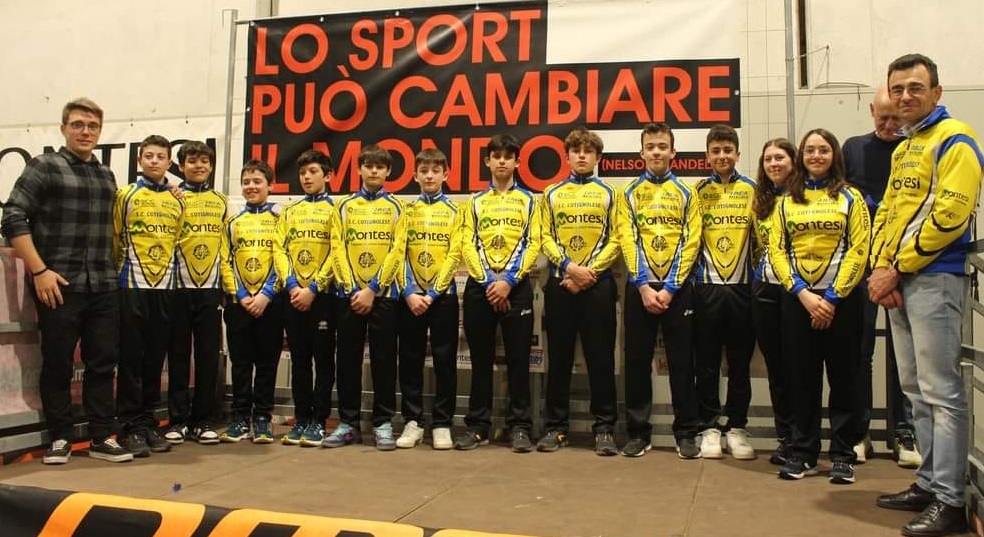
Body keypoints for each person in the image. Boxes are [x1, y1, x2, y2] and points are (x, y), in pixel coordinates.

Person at [872, 53, 982, 537]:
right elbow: (889, 212)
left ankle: (950, 500)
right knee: (915, 389)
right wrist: (881, 267)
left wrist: (896, 267)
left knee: (942, 392)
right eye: (897, 89)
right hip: (900, 280)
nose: (905, 96)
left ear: (936, 92)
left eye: (915, 88)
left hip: (936, 276)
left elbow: (950, 218)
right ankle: (929, 482)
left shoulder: (956, 139)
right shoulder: (905, 147)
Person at [1, 98, 133, 464]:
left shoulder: (106, 175)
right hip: (58, 283)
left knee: (103, 363)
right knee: (58, 362)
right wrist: (39, 271)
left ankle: (102, 437)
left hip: (103, 284)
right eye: (77, 124)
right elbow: (13, 217)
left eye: (92, 126)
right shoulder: (44, 166)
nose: (85, 131)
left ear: (100, 132)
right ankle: (60, 437)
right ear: (63, 129)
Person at [771, 128, 870, 484]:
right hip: (799, 301)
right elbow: (776, 251)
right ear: (801, 157)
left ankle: (843, 455)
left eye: (823, 150)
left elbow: (860, 249)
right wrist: (802, 292)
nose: (816, 156)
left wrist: (832, 297)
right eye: (810, 150)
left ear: (834, 155)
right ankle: (803, 453)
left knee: (845, 379)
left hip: (841, 301)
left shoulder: (850, 197)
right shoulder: (787, 200)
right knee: (802, 379)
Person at [842, 87, 920, 468]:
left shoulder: (915, 150)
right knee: (860, 351)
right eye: (883, 117)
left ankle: (904, 433)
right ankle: (860, 432)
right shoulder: (853, 148)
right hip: (861, 265)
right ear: (871, 110)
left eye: (896, 119)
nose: (890, 125)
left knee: (903, 354)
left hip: (903, 264)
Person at [617, 122, 702, 459]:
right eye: (650, 146)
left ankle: (686, 433)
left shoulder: (687, 193)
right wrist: (643, 286)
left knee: (682, 362)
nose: (656, 152)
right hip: (640, 289)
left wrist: (669, 288)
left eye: (662, 146)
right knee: (636, 362)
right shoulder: (628, 193)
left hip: (676, 291)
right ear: (641, 153)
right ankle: (638, 433)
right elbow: (627, 239)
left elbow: (691, 241)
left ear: (673, 152)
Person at [456, 134, 541, 452]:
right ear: (487, 161)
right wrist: (488, 280)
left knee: (519, 361)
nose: (502, 161)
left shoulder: (530, 200)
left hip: (516, 287)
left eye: (508, 156)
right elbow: (467, 242)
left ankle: (519, 426)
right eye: (496, 156)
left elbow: (533, 242)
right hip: (481, 287)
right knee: (480, 361)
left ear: (517, 162)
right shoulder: (475, 202)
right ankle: (478, 426)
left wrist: (508, 280)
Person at [539, 127, 620, 456]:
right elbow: (544, 236)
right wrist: (569, 268)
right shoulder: (551, 193)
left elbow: (617, 238)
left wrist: (589, 273)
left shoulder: (611, 194)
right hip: (561, 282)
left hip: (598, 284)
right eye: (576, 151)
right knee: (558, 359)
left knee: (601, 359)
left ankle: (604, 429)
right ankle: (555, 428)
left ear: (597, 157)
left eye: (588, 151)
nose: (582, 156)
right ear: (567, 156)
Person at [324, 144, 403, 451]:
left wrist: (372, 288)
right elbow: (337, 247)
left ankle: (382, 424)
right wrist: (352, 288)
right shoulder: (343, 206)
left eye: (379, 166)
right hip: (349, 295)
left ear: (388, 172)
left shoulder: (397, 207)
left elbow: (397, 250)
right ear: (358, 169)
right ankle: (348, 423)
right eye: (368, 166)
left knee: (384, 360)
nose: (373, 171)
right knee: (347, 360)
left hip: (383, 295)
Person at [114, 134, 184, 457]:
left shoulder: (177, 200)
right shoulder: (125, 194)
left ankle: (148, 422)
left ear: (169, 162)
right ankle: (129, 426)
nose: (155, 161)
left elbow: (177, 241)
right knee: (131, 358)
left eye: (161, 157)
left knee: (155, 359)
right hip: (132, 286)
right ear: (139, 159)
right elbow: (115, 237)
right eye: (149, 156)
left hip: (165, 288)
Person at [388, 149, 463, 451]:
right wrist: (408, 292)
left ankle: (442, 423)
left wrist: (432, 294)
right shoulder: (406, 211)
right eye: (424, 171)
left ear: (446, 174)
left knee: (445, 362)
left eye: (435, 170)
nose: (429, 176)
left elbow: (455, 254)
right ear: (415, 175)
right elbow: (397, 252)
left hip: (443, 297)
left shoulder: (456, 211)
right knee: (410, 360)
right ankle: (413, 422)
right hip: (410, 298)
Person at [692, 125, 757, 460]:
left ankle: (737, 427)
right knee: (706, 363)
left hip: (743, 289)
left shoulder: (753, 190)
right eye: (715, 151)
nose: (722, 156)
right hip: (706, 288)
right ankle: (709, 427)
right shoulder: (697, 192)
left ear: (737, 154)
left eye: (727, 150)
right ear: (707, 156)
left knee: (740, 364)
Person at [274, 149, 345, 447]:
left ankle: (319, 420)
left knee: (324, 361)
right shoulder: (290, 211)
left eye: (313, 172)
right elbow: (279, 249)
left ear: (328, 175)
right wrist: (293, 286)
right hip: (293, 297)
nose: (306, 177)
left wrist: (313, 288)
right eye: (303, 173)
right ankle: (301, 418)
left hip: (323, 297)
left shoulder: (336, 210)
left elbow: (337, 251)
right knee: (299, 361)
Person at [218, 160, 284, 444]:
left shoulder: (280, 220)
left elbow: (284, 259)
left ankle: (263, 419)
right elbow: (225, 261)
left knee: (267, 364)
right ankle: (240, 418)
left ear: (271, 186)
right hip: (239, 304)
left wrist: (266, 294)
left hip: (271, 303)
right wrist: (242, 295)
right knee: (241, 364)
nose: (251, 186)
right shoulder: (232, 223)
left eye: (257, 181)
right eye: (246, 182)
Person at [165, 141, 226, 446]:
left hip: (211, 290)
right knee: (178, 355)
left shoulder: (222, 201)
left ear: (211, 166)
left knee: (207, 356)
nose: (199, 166)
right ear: (181, 166)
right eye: (192, 161)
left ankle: (203, 421)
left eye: (204, 161)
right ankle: (177, 420)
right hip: (178, 288)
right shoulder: (172, 198)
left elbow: (228, 246)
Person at [750, 138, 797, 465]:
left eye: (780, 158)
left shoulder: (805, 197)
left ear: (793, 162)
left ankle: (803, 437)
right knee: (777, 368)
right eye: (768, 159)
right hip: (764, 290)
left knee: (800, 367)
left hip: (797, 291)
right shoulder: (760, 201)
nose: (774, 164)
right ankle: (786, 437)